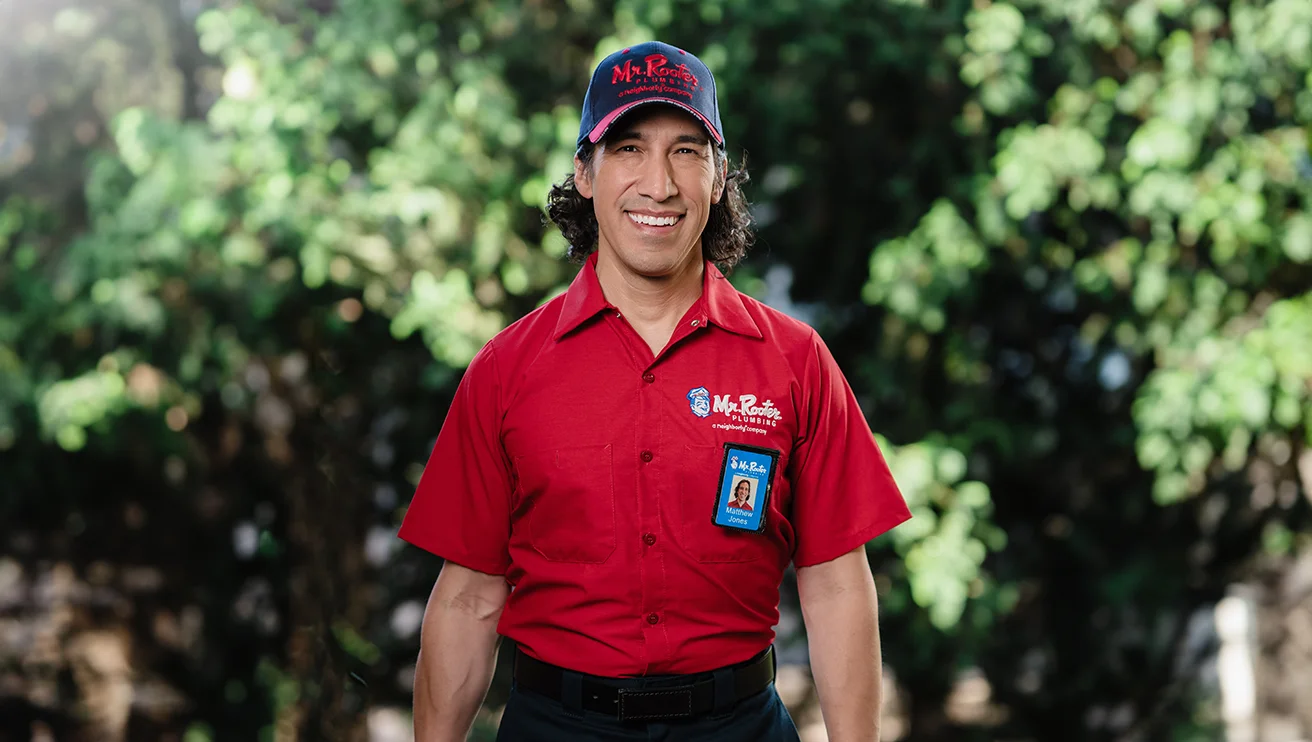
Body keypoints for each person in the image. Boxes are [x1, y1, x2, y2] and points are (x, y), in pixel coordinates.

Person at [398, 40, 912, 742]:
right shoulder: (506, 370)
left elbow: (836, 585)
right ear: (585, 171)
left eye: (686, 151)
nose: (659, 184)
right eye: (630, 148)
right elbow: (468, 600)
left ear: (719, 174)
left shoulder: (795, 362)